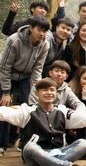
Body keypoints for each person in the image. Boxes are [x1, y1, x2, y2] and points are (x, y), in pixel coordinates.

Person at [0, 16, 50, 155]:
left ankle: (26, 141)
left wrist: (36, 90)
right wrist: (6, 91)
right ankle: (1, 144)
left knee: (30, 106)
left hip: (26, 77)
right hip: (8, 74)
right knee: (4, 106)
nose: (42, 34)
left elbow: (38, 68)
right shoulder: (14, 40)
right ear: (31, 28)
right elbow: (5, 67)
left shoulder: (45, 44)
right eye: (39, 30)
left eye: (45, 31)